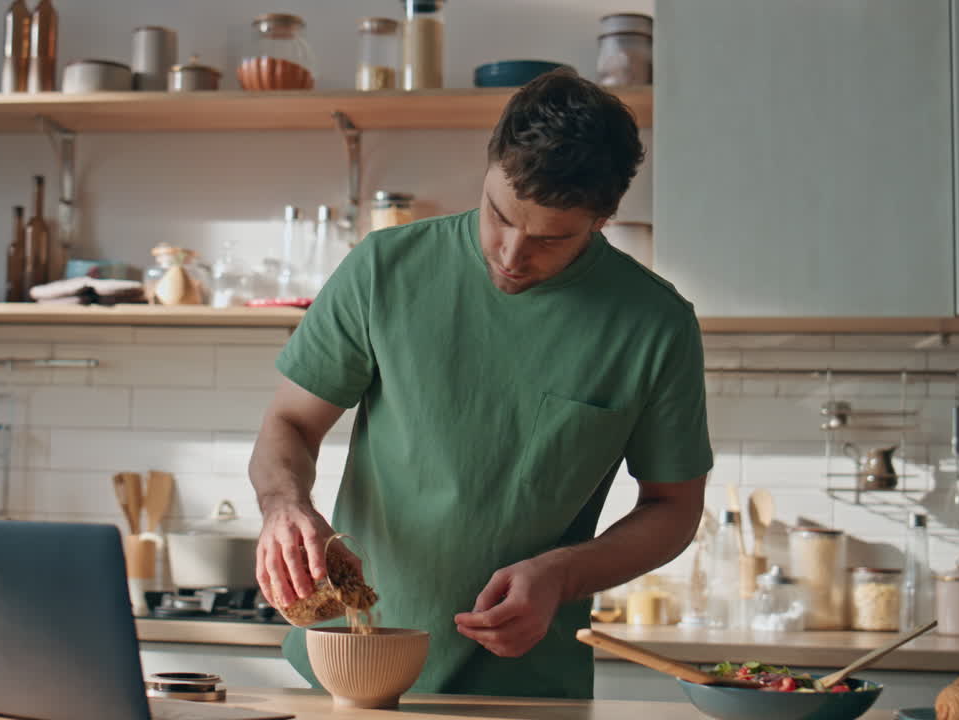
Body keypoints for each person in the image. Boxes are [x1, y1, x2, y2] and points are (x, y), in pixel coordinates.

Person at [248, 68, 712, 699]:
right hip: (348, 672)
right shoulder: (384, 271)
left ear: (602, 219)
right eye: (499, 216)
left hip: (529, 691)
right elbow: (291, 426)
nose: (512, 255)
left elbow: (673, 508)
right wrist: (285, 505)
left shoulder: (655, 324)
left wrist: (561, 574)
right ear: (490, 164)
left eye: (551, 239)